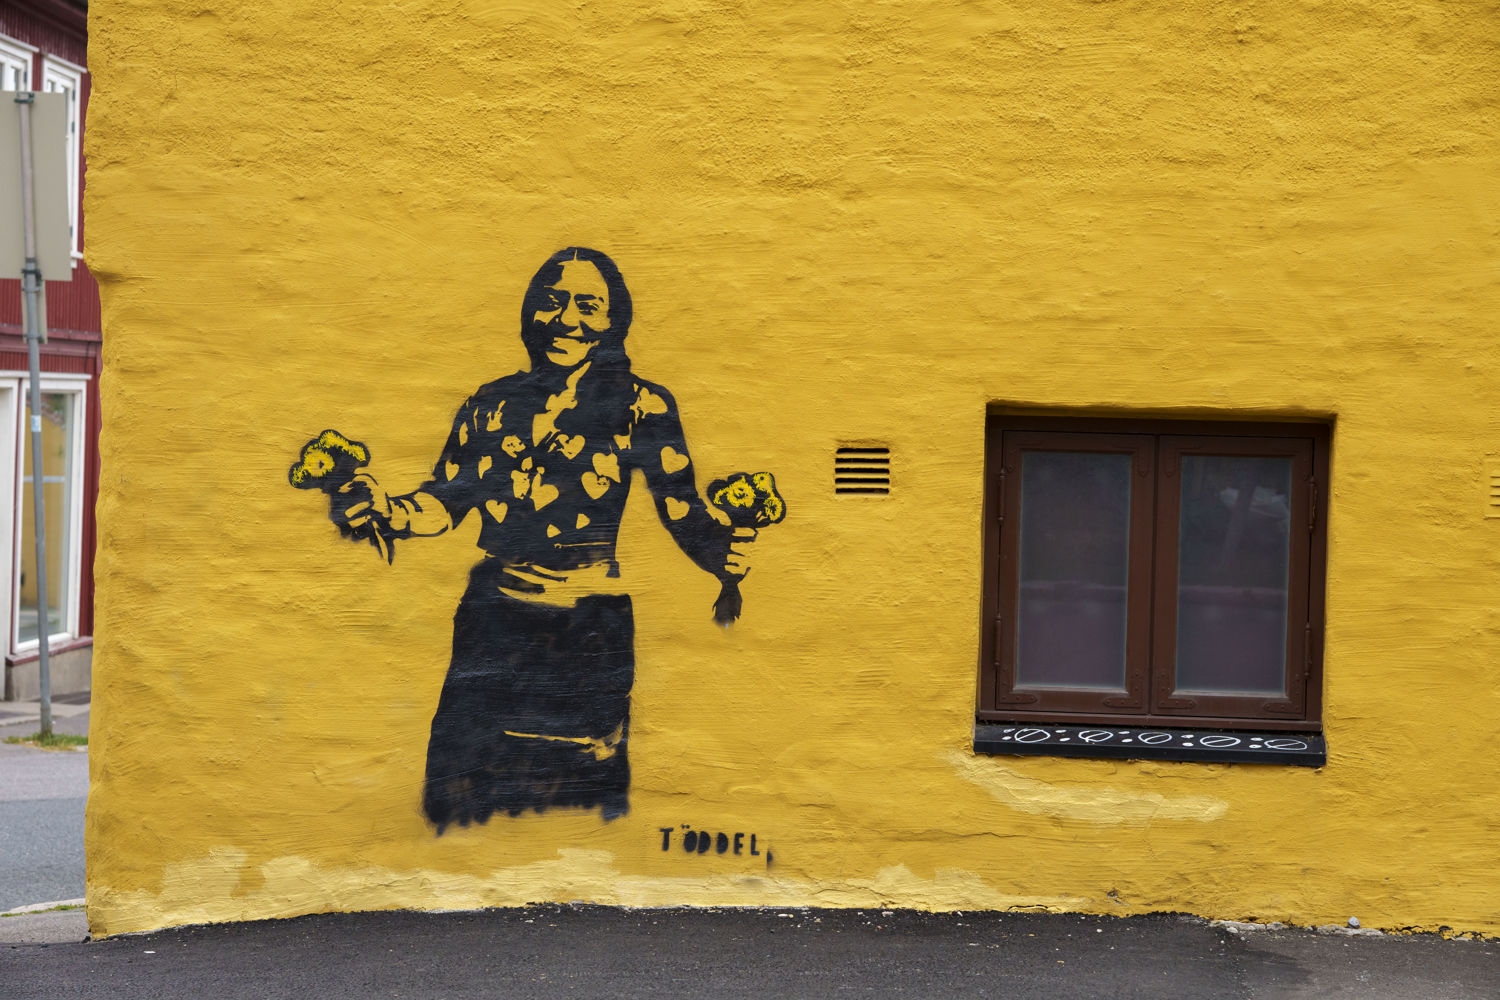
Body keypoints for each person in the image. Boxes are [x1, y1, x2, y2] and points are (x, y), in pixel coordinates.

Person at [336, 247, 752, 831]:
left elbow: (681, 508)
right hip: (493, 621)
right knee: (462, 789)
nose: (567, 320)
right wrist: (390, 511)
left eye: (588, 306)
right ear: (530, 311)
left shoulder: (641, 404)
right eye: (553, 302)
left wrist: (722, 555)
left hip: (588, 630)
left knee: (579, 796)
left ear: (614, 320)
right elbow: (446, 501)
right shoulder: (489, 403)